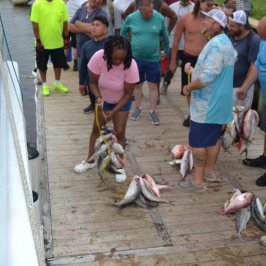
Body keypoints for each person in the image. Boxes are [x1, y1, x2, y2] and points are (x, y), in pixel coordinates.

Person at [178, 9, 236, 192]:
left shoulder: (216, 44)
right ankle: (210, 172)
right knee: (213, 139)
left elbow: (208, 77)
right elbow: (213, 71)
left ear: (216, 25)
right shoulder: (224, 42)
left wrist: (189, 87)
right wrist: (192, 71)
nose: (203, 22)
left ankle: (198, 182)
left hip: (207, 104)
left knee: (198, 143)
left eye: (207, 20)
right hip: (219, 103)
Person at [74, 36, 139, 182]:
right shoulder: (98, 58)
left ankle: (119, 166)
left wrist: (114, 111)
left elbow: (129, 93)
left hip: (121, 101)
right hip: (102, 99)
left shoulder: (131, 65)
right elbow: (93, 83)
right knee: (96, 130)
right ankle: (90, 161)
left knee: (120, 133)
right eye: (115, 58)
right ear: (107, 53)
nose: (118, 62)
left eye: (122, 58)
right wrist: (98, 97)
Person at [121, 0, 169, 126]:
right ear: (140, 9)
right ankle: (138, 108)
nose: (149, 14)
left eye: (151, 11)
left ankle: (153, 111)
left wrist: (166, 51)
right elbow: (123, 32)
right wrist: (126, 48)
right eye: (146, 13)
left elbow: (165, 36)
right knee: (137, 85)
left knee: (153, 86)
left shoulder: (158, 17)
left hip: (154, 59)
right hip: (136, 58)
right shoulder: (131, 17)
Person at [169, 0, 214, 127]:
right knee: (188, 89)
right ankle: (192, 113)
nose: (210, 8)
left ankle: (199, 115)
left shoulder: (212, 21)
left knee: (203, 88)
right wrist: (173, 62)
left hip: (205, 59)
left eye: (212, 5)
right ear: (200, 2)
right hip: (188, 58)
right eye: (208, 5)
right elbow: (176, 41)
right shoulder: (185, 19)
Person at [237, 17, 266, 187]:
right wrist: (245, 87)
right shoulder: (263, 42)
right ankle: (264, 158)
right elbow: (257, 65)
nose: (262, 40)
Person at [30, 0, 70, 97]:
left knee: (58, 64)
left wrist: (66, 37)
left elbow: (65, 22)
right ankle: (44, 84)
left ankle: (57, 83)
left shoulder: (61, 3)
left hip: (58, 41)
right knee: (42, 65)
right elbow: (35, 25)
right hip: (42, 43)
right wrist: (38, 40)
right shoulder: (37, 4)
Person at [160, 0, 195, 95]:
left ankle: (186, 88)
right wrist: (166, 38)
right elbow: (166, 24)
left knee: (187, 67)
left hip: (188, 43)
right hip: (173, 41)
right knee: (171, 66)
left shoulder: (194, 7)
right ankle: (166, 83)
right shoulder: (172, 7)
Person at [227, 10, 261, 108]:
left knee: (238, 121)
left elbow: (253, 67)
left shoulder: (254, 40)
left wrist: (244, 88)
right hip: (228, 85)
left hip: (241, 88)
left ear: (242, 26)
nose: (229, 27)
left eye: (232, 26)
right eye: (229, 24)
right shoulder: (232, 35)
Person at [79, 16, 109, 113]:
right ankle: (92, 104)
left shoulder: (111, 44)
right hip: (91, 79)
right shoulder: (86, 45)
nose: (94, 27)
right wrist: (81, 83)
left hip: (108, 79)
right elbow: (83, 66)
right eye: (92, 25)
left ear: (105, 30)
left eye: (97, 25)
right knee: (90, 80)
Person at [68, 0, 107, 65]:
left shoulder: (102, 14)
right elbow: (69, 27)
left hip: (95, 55)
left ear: (101, 1)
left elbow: (95, 30)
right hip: (80, 54)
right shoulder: (80, 10)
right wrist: (87, 30)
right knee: (82, 75)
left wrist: (78, 23)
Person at [66, 0, 86, 71]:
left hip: (66, 23)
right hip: (74, 24)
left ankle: (63, 62)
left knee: (65, 42)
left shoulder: (67, 2)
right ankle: (75, 63)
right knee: (74, 44)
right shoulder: (80, 1)